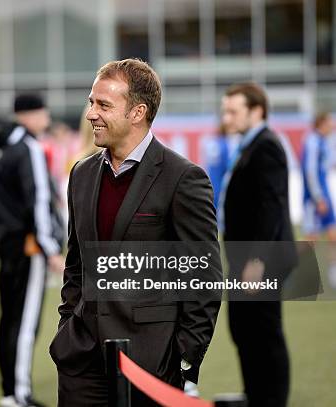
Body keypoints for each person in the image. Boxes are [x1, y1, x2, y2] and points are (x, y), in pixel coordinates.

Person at [49, 58, 222, 406]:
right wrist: (67, 326)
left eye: (103, 105)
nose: (90, 114)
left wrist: (184, 358)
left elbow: (204, 276)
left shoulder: (182, 178)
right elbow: (77, 264)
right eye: (91, 102)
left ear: (137, 112)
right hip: (82, 358)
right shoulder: (80, 175)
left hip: (152, 363)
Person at [0, 94, 65, 407]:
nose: (46, 118)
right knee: (25, 322)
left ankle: (9, 391)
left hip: (6, 245)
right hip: (28, 247)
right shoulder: (28, 148)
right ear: (30, 114)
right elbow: (39, 201)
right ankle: (18, 394)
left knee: (8, 319)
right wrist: (51, 248)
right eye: (43, 112)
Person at [220, 82, 296, 407]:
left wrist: (257, 261)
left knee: (264, 333)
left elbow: (271, 207)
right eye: (225, 110)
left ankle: (271, 400)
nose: (226, 117)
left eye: (233, 111)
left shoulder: (267, 146)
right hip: (247, 257)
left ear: (257, 111)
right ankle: (255, 395)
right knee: (243, 328)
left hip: (260, 259)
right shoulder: (251, 144)